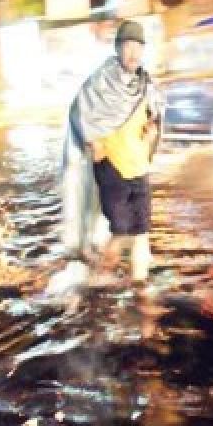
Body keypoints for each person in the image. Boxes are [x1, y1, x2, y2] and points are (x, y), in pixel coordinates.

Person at [62, 20, 162, 283]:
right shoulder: (100, 82)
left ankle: (140, 290)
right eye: (128, 46)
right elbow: (79, 113)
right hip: (112, 168)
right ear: (118, 48)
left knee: (140, 233)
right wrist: (95, 148)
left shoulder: (146, 84)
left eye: (138, 47)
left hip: (139, 167)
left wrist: (152, 131)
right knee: (121, 233)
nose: (133, 53)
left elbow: (155, 117)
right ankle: (98, 279)